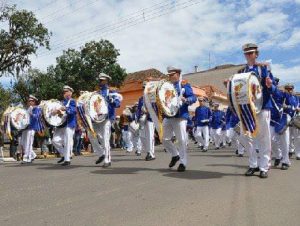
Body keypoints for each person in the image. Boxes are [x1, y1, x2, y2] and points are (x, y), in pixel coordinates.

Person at [240, 43, 276, 178]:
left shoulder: (264, 69)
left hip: (263, 106)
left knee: (264, 138)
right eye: (247, 53)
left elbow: (274, 89)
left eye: (251, 53)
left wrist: (269, 85)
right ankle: (253, 164)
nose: (249, 55)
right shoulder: (242, 72)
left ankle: (264, 167)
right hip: (248, 109)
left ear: (256, 54)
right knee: (246, 137)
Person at [162, 66, 196, 172]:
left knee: (181, 140)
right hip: (168, 116)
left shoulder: (184, 84)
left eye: (172, 74)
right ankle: (175, 155)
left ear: (178, 74)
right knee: (164, 139)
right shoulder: (166, 86)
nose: (171, 76)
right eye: (169, 75)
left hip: (180, 116)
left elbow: (193, 97)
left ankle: (183, 162)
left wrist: (186, 99)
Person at [88, 73, 121, 167]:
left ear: (106, 81)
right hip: (96, 119)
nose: (99, 82)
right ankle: (101, 153)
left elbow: (118, 104)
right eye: (99, 80)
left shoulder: (111, 91)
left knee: (105, 138)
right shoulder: (96, 93)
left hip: (107, 118)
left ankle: (107, 160)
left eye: (101, 80)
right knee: (91, 135)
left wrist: (111, 100)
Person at [52, 86, 77, 166]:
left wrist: (65, 108)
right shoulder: (61, 102)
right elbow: (59, 114)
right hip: (60, 124)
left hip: (69, 124)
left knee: (67, 141)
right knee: (54, 140)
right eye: (63, 92)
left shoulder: (72, 101)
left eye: (66, 91)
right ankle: (64, 154)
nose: (64, 93)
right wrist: (55, 112)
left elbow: (73, 111)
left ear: (70, 92)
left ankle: (67, 159)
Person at [20, 95, 44, 164]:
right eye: (29, 101)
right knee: (23, 143)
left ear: (34, 102)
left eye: (31, 101)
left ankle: (27, 158)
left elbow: (37, 116)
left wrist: (32, 114)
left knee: (28, 143)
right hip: (25, 127)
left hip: (32, 127)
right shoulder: (27, 108)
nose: (30, 102)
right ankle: (33, 155)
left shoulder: (37, 108)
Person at [137, 82, 156, 161]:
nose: (144, 89)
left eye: (145, 87)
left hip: (150, 118)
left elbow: (155, 108)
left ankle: (151, 154)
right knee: (142, 136)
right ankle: (148, 151)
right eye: (143, 87)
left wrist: (149, 111)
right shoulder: (141, 98)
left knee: (150, 136)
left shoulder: (152, 97)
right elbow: (138, 109)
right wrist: (138, 117)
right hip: (142, 119)